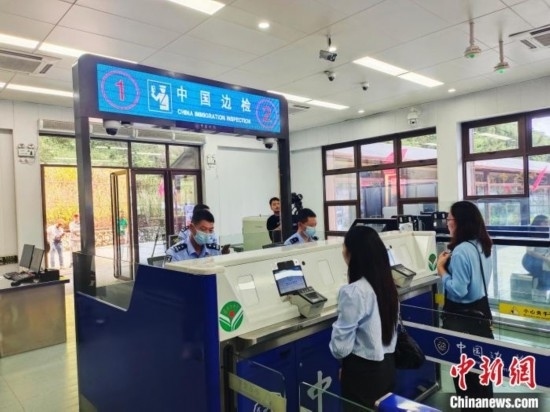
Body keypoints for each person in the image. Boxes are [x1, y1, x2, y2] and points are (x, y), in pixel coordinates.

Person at [329, 226, 399, 410]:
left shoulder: (354, 292)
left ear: (353, 254)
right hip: (387, 367)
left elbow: (340, 348)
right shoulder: (387, 285)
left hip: (362, 373)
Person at [437, 201, 494, 410]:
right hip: (481, 314)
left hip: (462, 319)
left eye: (449, 218)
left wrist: (441, 270)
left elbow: (458, 290)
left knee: (466, 379)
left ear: (459, 222)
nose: (447, 223)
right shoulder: (482, 244)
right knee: (482, 377)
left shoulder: (461, 251)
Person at [522, 214, 550, 289]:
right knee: (546, 277)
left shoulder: (547, 233)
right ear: (538, 224)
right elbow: (530, 252)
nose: (548, 224)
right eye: (545, 222)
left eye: (548, 222)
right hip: (531, 259)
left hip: (543, 258)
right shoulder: (533, 235)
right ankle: (542, 288)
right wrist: (545, 259)